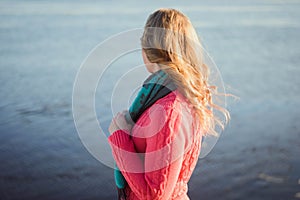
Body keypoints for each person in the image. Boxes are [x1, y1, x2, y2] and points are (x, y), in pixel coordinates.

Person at [108, 8, 229, 200]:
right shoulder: (174, 95)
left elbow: (155, 196)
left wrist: (120, 137)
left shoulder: (168, 110)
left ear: (146, 51)